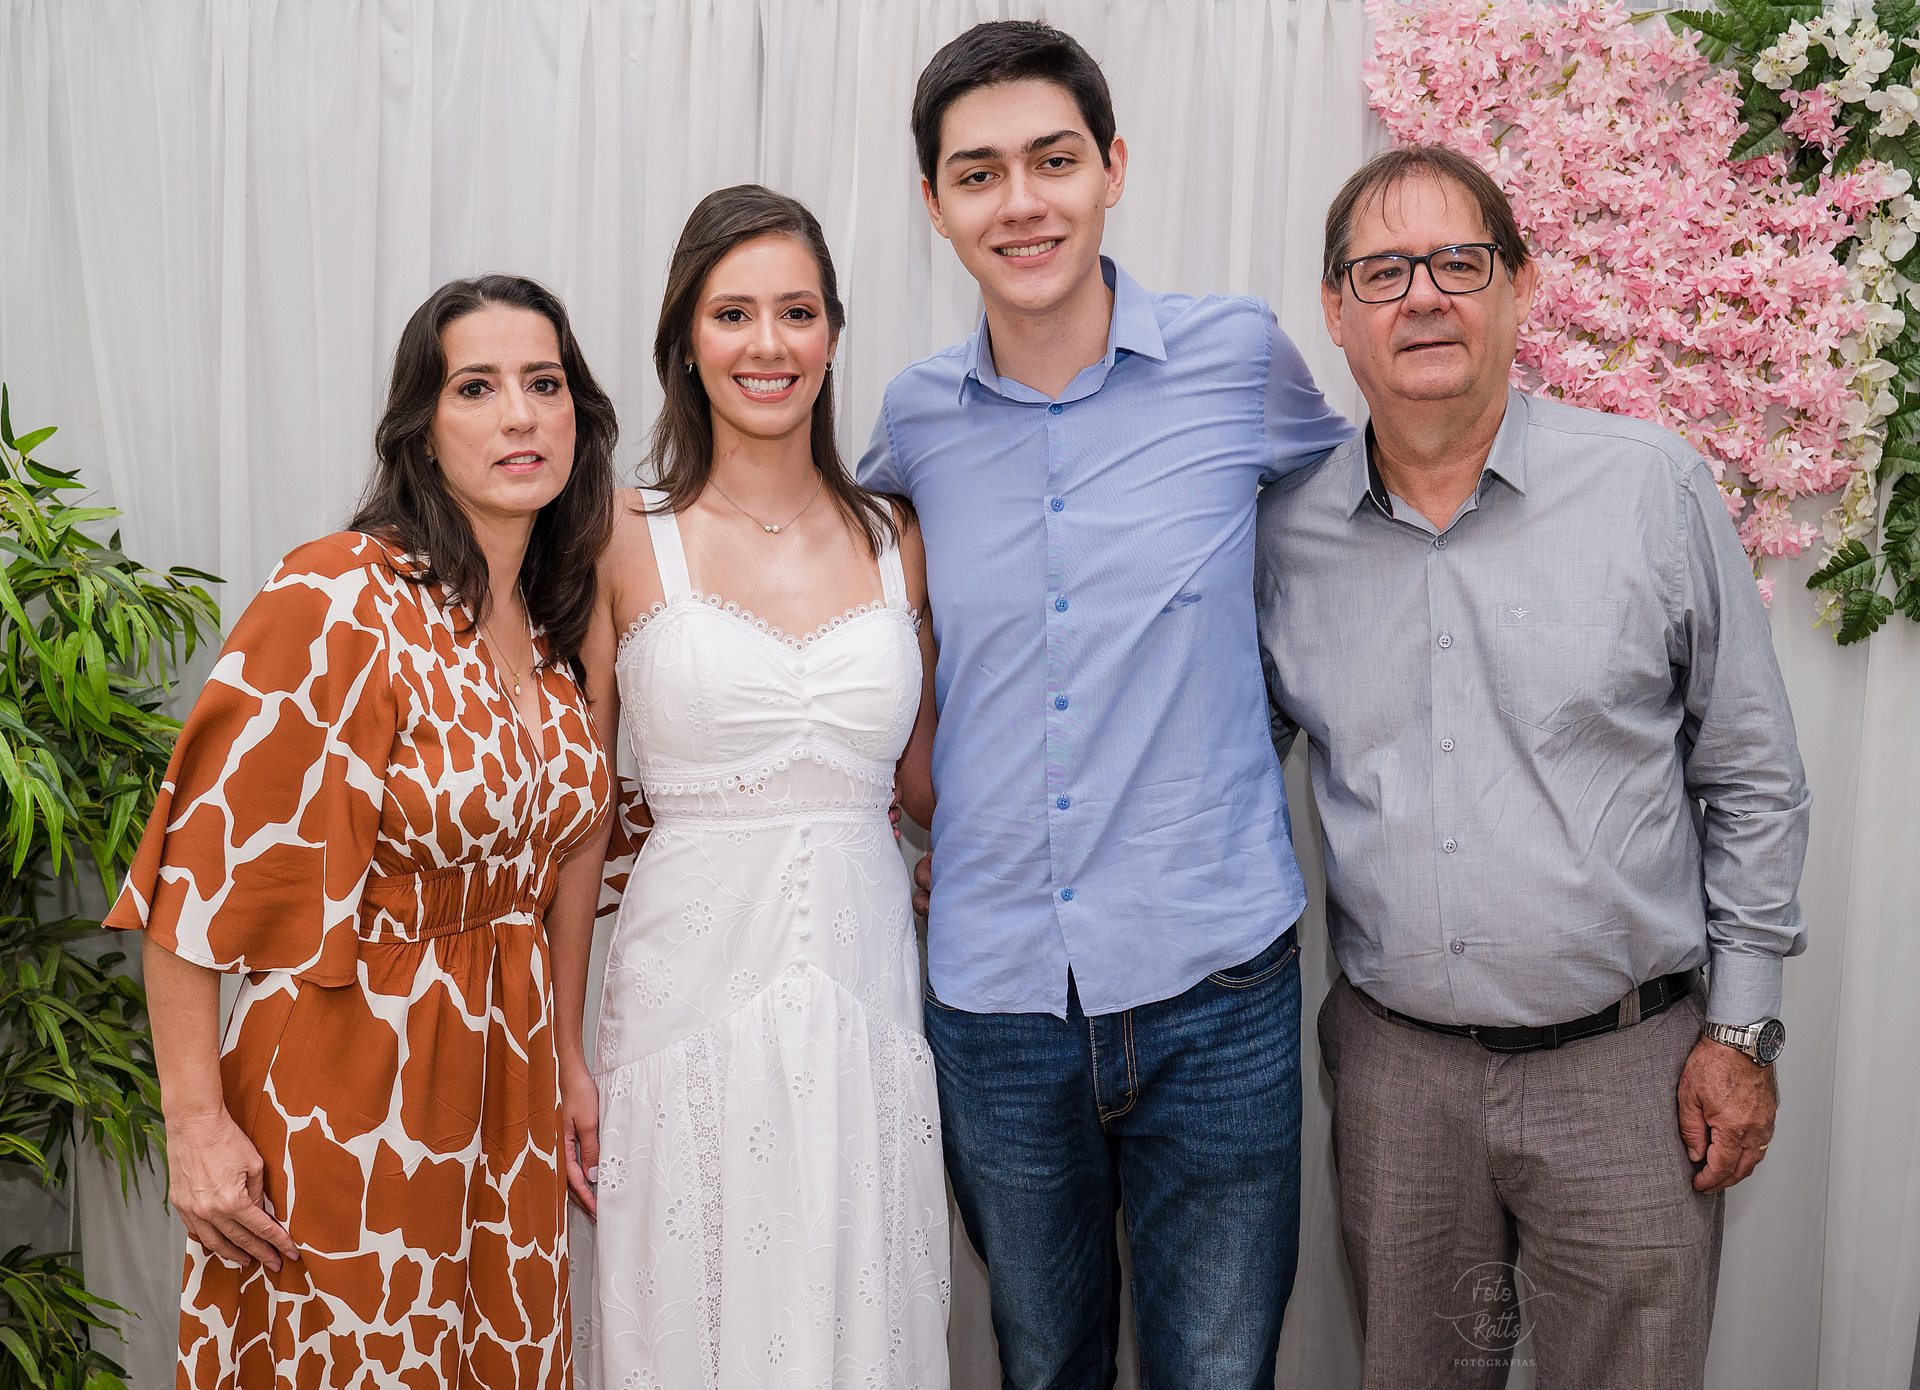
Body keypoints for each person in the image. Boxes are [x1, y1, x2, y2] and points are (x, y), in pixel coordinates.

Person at [1255, 145, 1810, 1390]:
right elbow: (1212, 760)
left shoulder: (1650, 488)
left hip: (1632, 1074)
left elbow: (1752, 775)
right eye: (1383, 271)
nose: (1423, 296)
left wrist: (1743, 1029)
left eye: (1459, 261)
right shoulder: (1284, 534)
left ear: (1521, 284)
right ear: (1335, 309)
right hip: (1398, 1079)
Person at [858, 20, 1351, 1388]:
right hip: (996, 992)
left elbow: (1355, 549)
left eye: (1053, 159)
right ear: (934, 203)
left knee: (1219, 1369)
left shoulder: (1238, 359)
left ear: (1113, 168)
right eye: (979, 173)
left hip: (1216, 975)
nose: (1021, 201)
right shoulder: (913, 421)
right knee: (1041, 1362)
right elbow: (860, 634)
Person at [105, 274, 618, 1386]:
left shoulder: (555, 620)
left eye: (544, 384)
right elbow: (197, 871)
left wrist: (566, 1056)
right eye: (476, 387)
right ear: (421, 428)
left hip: (506, 1089)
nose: (520, 415)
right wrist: (194, 1124)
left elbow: (563, 856)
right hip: (353, 1076)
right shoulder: (339, 593)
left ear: (580, 414)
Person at [556, 184, 950, 1389]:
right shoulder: (619, 532)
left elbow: (928, 785)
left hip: (864, 994)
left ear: (832, 335)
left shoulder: (897, 534)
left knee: (857, 1302)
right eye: (733, 313)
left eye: (797, 311)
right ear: (686, 339)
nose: (767, 343)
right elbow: (578, 818)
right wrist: (561, 1048)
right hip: (682, 999)